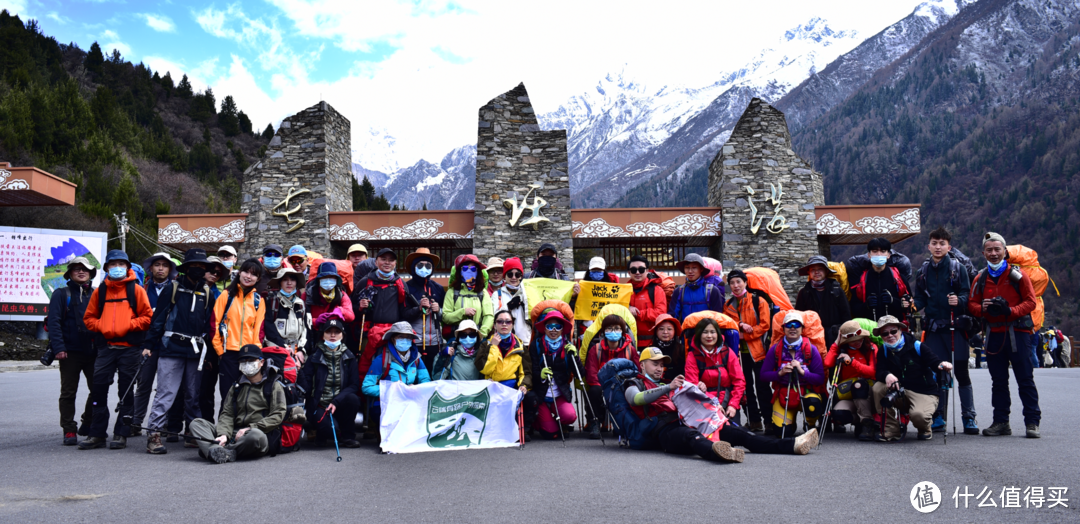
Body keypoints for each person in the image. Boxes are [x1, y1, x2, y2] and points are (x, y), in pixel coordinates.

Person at [624, 347, 817, 462]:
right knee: (691, 436)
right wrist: (668, 388)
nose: (659, 368)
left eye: (661, 364)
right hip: (665, 431)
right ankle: (718, 452)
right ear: (642, 364)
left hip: (692, 422)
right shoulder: (634, 383)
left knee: (740, 433)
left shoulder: (667, 382)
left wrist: (697, 390)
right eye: (654, 363)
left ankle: (793, 445)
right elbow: (636, 399)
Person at [969, 232, 1041, 438]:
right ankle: (1001, 422)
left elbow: (1030, 302)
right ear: (983, 253)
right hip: (993, 335)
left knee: (1025, 379)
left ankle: (1032, 422)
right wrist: (981, 308)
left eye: (997, 249)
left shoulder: (1018, 276)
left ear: (1004, 251)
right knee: (998, 381)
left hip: (1018, 333)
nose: (993, 253)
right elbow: (972, 304)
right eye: (989, 250)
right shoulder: (980, 278)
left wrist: (1010, 311)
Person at [78, 250, 153, 450]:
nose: (117, 267)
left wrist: (128, 325)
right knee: (98, 389)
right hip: (106, 349)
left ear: (127, 267)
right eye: (113, 264)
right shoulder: (100, 291)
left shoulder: (136, 290)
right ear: (107, 268)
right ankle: (97, 434)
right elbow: (88, 319)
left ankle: (121, 433)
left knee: (126, 392)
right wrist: (102, 326)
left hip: (130, 349)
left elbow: (147, 318)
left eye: (121, 263)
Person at [142, 249, 215, 454]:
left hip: (195, 350)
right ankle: (154, 434)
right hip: (171, 347)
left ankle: (192, 435)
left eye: (203, 267)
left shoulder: (207, 292)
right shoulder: (173, 288)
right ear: (186, 268)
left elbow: (209, 326)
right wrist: (149, 345)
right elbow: (158, 319)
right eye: (195, 266)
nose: (199, 270)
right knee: (166, 392)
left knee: (193, 394)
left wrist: (208, 354)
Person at [913, 227, 978, 435]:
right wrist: (912, 305)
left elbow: (968, 295)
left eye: (942, 243)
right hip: (933, 329)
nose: (938, 247)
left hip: (955, 328)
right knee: (937, 373)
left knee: (961, 373)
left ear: (949, 247)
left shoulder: (958, 269)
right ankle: (938, 415)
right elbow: (921, 298)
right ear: (929, 246)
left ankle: (969, 418)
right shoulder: (922, 271)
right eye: (934, 243)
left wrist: (958, 300)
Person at [189, 344, 286, 464]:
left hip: (258, 433)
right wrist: (224, 434)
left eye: (251, 360)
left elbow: (278, 414)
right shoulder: (236, 386)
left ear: (261, 362)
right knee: (197, 423)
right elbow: (227, 414)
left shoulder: (273, 385)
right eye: (243, 361)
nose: (247, 364)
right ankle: (217, 450)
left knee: (255, 437)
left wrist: (251, 427)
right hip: (234, 432)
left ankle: (214, 450)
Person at [871, 315, 953, 441]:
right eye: (885, 333)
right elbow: (879, 372)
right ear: (881, 336)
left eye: (893, 331)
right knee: (877, 388)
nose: (890, 335)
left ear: (900, 330)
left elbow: (935, 362)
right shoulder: (883, 350)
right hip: (899, 392)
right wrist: (887, 375)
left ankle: (924, 428)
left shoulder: (917, 346)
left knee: (919, 416)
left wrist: (943, 365)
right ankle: (891, 429)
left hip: (923, 392)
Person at [48, 257, 102, 445]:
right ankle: (69, 430)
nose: (81, 272)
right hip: (69, 353)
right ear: (70, 273)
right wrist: (59, 348)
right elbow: (54, 323)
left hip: (93, 351)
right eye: (76, 269)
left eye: (85, 269)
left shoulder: (96, 294)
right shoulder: (61, 294)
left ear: (90, 273)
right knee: (69, 392)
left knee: (97, 390)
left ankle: (87, 422)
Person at [132, 252, 184, 437]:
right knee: (143, 384)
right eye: (157, 265)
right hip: (147, 344)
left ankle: (163, 423)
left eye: (164, 265)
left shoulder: (178, 289)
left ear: (170, 269)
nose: (160, 268)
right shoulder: (142, 289)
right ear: (151, 268)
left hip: (170, 345)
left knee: (167, 387)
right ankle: (136, 422)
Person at [361, 321, 431, 443]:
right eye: (401, 337)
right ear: (393, 339)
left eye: (408, 337)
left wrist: (416, 388)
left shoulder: (417, 358)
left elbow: (426, 381)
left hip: (410, 401)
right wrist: (391, 390)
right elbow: (366, 387)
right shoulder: (381, 359)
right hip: (387, 403)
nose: (405, 340)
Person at [760, 311, 825, 437]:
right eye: (789, 325)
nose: (793, 328)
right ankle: (791, 423)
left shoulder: (811, 349)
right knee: (782, 432)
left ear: (802, 328)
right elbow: (763, 375)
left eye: (797, 325)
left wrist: (802, 372)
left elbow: (820, 379)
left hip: (806, 393)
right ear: (783, 328)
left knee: (813, 404)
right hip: (784, 393)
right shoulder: (776, 349)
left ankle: (810, 424)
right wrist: (779, 373)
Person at [353, 248, 416, 377]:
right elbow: (351, 308)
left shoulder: (400, 284)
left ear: (395, 264)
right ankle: (368, 394)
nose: (387, 262)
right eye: (383, 259)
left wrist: (419, 309)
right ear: (376, 262)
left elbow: (405, 311)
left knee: (391, 366)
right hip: (368, 334)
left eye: (391, 260)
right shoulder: (365, 282)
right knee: (367, 366)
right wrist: (359, 307)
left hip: (392, 333)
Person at [723, 269, 772, 433]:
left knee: (762, 387)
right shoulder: (728, 305)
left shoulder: (758, 301)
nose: (735, 285)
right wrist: (739, 329)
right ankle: (754, 421)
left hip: (758, 352)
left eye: (738, 282)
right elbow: (727, 327)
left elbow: (765, 325)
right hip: (738, 354)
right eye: (732, 283)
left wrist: (747, 334)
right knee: (745, 388)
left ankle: (769, 422)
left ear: (745, 283)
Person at [301, 317, 362, 448]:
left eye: (337, 331)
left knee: (353, 399)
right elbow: (306, 383)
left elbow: (354, 385)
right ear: (323, 335)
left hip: (340, 403)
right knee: (328, 429)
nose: (333, 335)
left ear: (342, 335)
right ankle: (323, 431)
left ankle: (347, 436)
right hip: (321, 405)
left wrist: (336, 401)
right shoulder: (314, 357)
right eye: (329, 332)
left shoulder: (349, 357)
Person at [212, 258, 266, 403]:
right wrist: (220, 350)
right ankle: (225, 426)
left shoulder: (258, 300)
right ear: (239, 272)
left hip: (248, 355)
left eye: (253, 274)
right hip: (228, 354)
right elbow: (214, 323)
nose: (248, 276)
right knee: (228, 397)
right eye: (246, 272)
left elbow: (259, 330)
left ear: (258, 278)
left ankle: (243, 426)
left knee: (247, 398)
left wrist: (256, 354)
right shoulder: (227, 295)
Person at [528, 308, 581, 440]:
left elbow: (581, 373)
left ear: (562, 329)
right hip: (541, 395)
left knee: (570, 416)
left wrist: (575, 356)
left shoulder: (568, 345)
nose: (553, 330)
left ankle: (560, 421)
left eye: (557, 327)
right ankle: (538, 421)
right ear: (544, 328)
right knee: (550, 434)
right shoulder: (536, 345)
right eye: (549, 326)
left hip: (559, 395)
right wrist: (540, 375)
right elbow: (531, 370)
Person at [822, 320, 878, 440]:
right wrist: (837, 342)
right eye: (854, 339)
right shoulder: (842, 349)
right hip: (850, 394)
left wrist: (852, 362)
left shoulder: (871, 347)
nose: (858, 341)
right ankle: (859, 421)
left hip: (868, 392)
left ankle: (867, 424)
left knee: (859, 385)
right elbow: (827, 363)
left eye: (860, 338)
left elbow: (872, 372)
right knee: (838, 415)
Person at [584, 313, 639, 435]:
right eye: (609, 328)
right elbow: (591, 372)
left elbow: (636, 370)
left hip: (622, 384)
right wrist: (604, 386)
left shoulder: (630, 349)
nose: (613, 331)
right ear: (603, 331)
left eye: (617, 328)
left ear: (623, 331)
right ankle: (595, 421)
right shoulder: (595, 349)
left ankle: (622, 421)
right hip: (601, 384)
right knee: (594, 391)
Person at [683, 318, 745, 425]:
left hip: (728, 402)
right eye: (705, 332)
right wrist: (713, 404)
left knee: (734, 433)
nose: (709, 336)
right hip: (703, 403)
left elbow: (739, 381)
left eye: (712, 332)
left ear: (718, 334)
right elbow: (692, 385)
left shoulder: (727, 352)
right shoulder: (692, 356)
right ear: (698, 334)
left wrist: (733, 405)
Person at [848, 238, 911, 322]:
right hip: (869, 329)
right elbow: (853, 308)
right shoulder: (860, 280)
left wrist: (894, 302)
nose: (879, 254)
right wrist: (866, 306)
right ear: (869, 255)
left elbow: (910, 305)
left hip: (893, 330)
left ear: (888, 255)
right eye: (875, 251)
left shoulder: (899, 278)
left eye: (883, 251)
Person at [795, 255, 851, 345]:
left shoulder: (837, 290)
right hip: (812, 339)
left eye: (820, 269)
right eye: (813, 269)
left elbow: (846, 316)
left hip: (835, 337)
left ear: (826, 271)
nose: (816, 272)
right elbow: (799, 316)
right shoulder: (804, 292)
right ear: (809, 272)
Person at [404, 248, 445, 370]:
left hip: (435, 341)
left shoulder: (438, 288)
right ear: (413, 266)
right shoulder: (406, 288)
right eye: (420, 265)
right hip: (415, 340)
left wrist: (439, 310)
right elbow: (402, 314)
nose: (424, 268)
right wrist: (418, 309)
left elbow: (446, 315)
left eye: (428, 265)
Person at [443, 254, 494, 340]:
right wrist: (463, 312)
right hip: (456, 338)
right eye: (465, 268)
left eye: (473, 269)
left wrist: (481, 334)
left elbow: (489, 316)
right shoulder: (452, 292)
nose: (469, 271)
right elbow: (445, 317)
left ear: (478, 273)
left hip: (477, 338)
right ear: (460, 271)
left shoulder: (483, 293)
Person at [264, 267, 308, 363]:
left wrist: (301, 350)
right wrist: (283, 348)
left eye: (292, 280)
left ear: (296, 283)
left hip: (297, 352)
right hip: (276, 351)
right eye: (285, 280)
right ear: (280, 283)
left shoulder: (301, 304)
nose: (289, 283)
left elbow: (305, 329)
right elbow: (269, 329)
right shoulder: (272, 302)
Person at [668, 253, 724, 323]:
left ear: (701, 269)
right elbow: (673, 316)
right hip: (686, 332)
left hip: (706, 333)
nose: (690, 271)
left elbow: (717, 317)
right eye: (687, 268)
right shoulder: (679, 292)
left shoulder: (712, 291)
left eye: (694, 267)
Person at [624, 255, 667, 345]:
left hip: (652, 342)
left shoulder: (656, 290)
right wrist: (626, 309)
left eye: (641, 269)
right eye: (633, 270)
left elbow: (660, 314)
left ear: (647, 271)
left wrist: (637, 313)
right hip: (628, 342)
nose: (637, 272)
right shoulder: (623, 291)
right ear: (629, 272)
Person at [488, 257, 530, 347]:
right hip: (503, 342)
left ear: (521, 276)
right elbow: (494, 316)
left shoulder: (527, 293)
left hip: (525, 341)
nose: (514, 277)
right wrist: (508, 307)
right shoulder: (497, 294)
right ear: (504, 276)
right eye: (510, 274)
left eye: (517, 274)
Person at [308, 261, 355, 340]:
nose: (328, 280)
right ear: (319, 280)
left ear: (336, 280)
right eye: (324, 277)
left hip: (334, 336)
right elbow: (300, 318)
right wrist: (315, 321)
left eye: (331, 277)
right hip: (313, 336)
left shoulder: (341, 295)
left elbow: (351, 316)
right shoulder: (309, 295)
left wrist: (341, 311)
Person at [653, 314, 685, 382]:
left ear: (674, 331)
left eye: (669, 329)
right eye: (661, 329)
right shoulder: (650, 350)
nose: (665, 332)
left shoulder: (681, 350)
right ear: (656, 331)